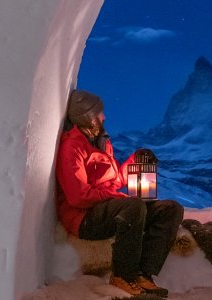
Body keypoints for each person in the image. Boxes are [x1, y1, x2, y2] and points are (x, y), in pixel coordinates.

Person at [55, 90, 184, 297]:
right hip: (83, 218)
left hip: (105, 208)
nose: (104, 117)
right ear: (89, 117)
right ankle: (122, 276)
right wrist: (116, 197)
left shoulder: (101, 142)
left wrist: (135, 161)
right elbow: (77, 196)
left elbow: (113, 182)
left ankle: (143, 274)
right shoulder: (72, 147)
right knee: (133, 205)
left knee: (170, 209)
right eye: (100, 113)